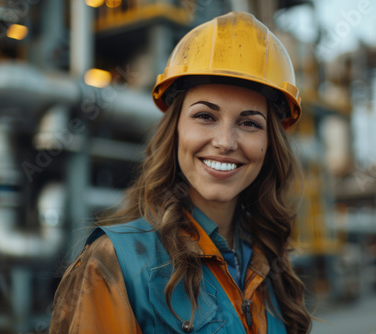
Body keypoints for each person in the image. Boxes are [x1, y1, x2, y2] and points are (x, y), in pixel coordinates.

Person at [50, 11, 312, 334]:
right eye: (205, 116)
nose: (225, 142)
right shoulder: (113, 265)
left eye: (249, 123)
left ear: (270, 142)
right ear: (175, 129)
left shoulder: (270, 266)